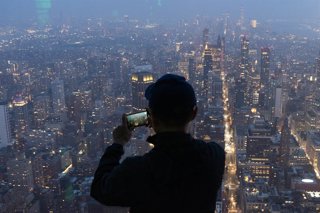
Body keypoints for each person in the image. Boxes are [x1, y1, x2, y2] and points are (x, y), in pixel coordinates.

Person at [91, 74, 225, 213]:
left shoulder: (137, 170)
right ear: (194, 113)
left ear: (150, 116)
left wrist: (118, 144)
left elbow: (99, 189)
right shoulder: (214, 157)